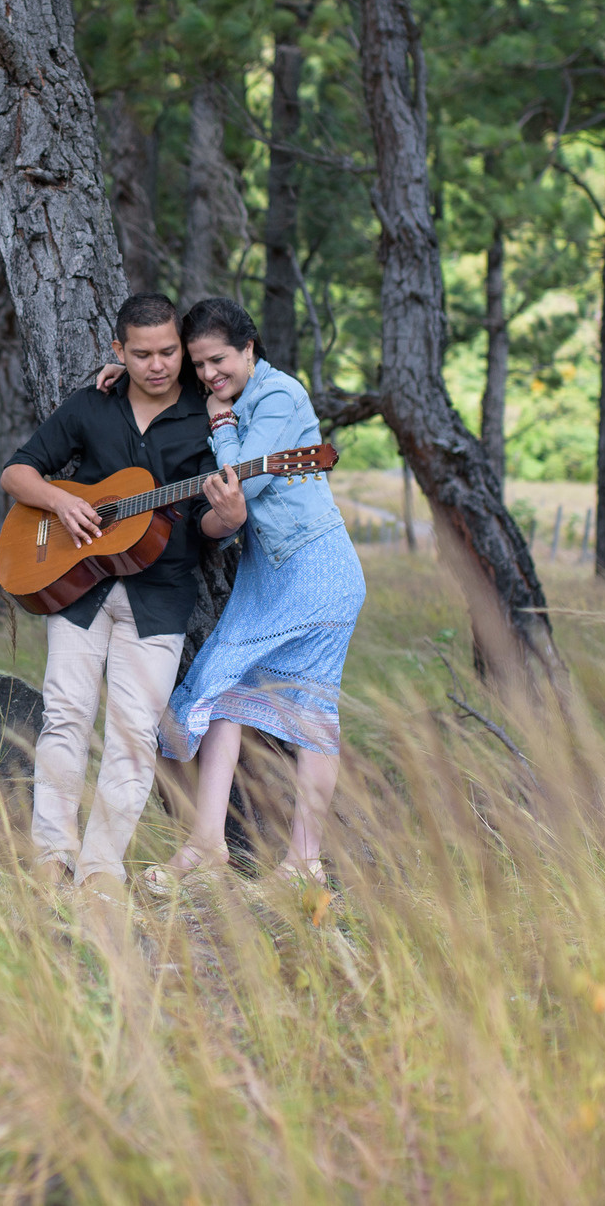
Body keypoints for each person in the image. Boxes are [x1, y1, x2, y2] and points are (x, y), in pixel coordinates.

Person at [0, 294, 243, 890]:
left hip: (160, 597)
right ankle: (50, 855)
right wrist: (62, 500)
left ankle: (102, 872)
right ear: (118, 352)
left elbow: (210, 528)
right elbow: (16, 472)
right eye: (142, 354)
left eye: (168, 352)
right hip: (77, 589)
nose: (157, 365)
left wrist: (230, 517)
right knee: (65, 716)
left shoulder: (208, 415)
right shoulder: (91, 405)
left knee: (133, 734)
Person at [143, 297, 364, 884]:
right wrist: (114, 377)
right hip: (269, 578)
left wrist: (218, 423)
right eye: (200, 367)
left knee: (313, 710)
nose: (210, 376)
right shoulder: (230, 393)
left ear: (249, 348)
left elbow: (243, 476)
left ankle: (304, 860)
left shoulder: (279, 396)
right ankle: (209, 844)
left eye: (219, 360)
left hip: (317, 572)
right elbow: (163, 391)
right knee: (223, 694)